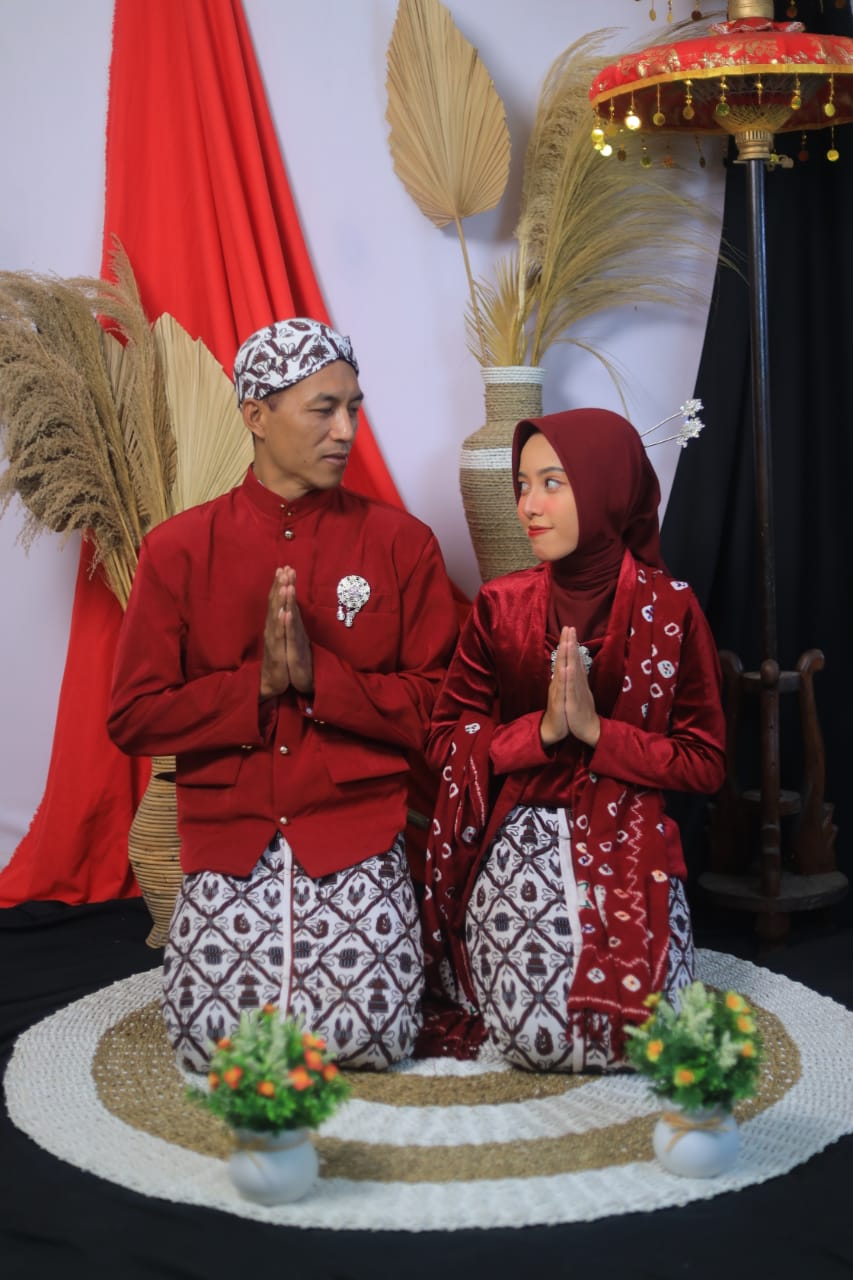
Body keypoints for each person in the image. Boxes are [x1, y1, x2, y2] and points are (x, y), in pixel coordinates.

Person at [108, 317, 458, 1072]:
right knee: (211, 1044)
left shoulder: (402, 545)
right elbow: (133, 716)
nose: (345, 431)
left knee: (373, 1036)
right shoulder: (178, 550)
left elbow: (441, 708)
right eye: (322, 409)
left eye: (353, 409)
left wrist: (321, 679)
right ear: (256, 415)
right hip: (229, 836)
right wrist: (256, 687)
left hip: (354, 832)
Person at [420, 409, 726, 1072]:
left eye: (551, 483)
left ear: (606, 487)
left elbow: (703, 762)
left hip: (632, 832)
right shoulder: (500, 606)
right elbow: (445, 739)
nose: (528, 506)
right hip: (518, 828)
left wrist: (597, 734)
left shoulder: (672, 609)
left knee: (643, 1032)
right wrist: (540, 733)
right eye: (522, 485)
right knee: (539, 1035)